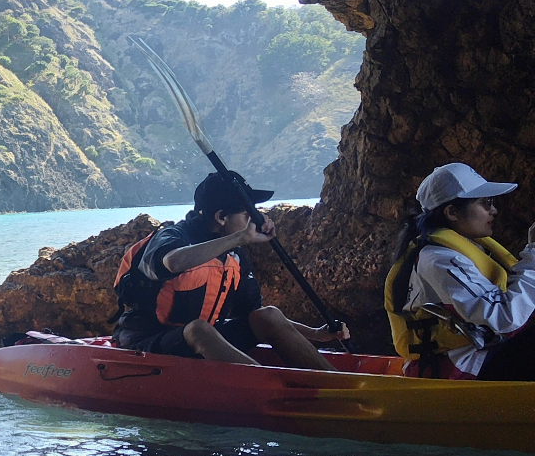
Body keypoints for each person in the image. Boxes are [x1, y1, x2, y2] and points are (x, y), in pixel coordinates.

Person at [113, 171, 349, 369]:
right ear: (221, 217)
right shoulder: (173, 236)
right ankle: (266, 387)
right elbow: (172, 262)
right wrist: (240, 238)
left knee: (268, 315)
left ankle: (336, 384)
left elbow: (253, 314)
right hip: (148, 342)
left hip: (204, 343)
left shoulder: (233, 253)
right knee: (198, 329)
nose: (253, 220)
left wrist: (316, 335)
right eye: (247, 214)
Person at [385, 162, 535, 379]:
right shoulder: (439, 260)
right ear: (452, 212)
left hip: (478, 355)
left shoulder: (453, 252)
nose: (493, 210)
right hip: (457, 368)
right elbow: (504, 318)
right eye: (485, 203)